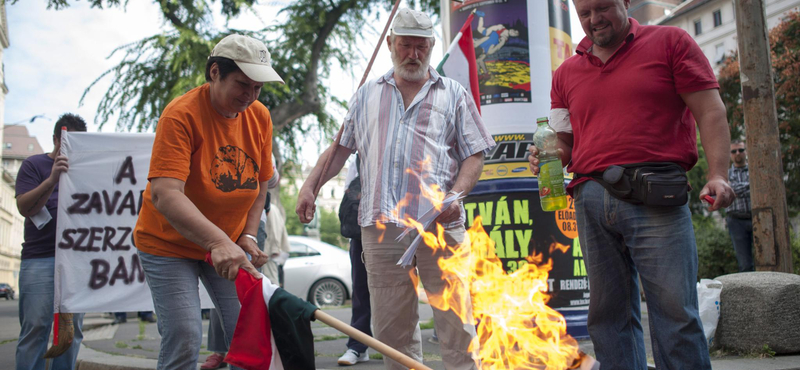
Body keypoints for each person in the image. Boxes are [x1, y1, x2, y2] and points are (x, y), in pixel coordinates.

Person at [527, 1, 735, 369]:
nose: (594, 20)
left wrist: (718, 174)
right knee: (607, 317)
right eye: (584, 14)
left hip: (656, 194)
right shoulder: (566, 73)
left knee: (675, 314)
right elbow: (564, 143)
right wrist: (547, 155)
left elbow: (710, 110)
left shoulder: (671, 42)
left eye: (603, 8)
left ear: (625, 2)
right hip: (590, 199)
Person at [297, 8, 494, 370]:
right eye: (405, 45)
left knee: (457, 323)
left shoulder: (453, 93)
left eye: (421, 47)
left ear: (432, 46)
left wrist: (458, 193)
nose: (413, 55)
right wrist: (310, 187)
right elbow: (340, 149)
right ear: (390, 44)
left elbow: (475, 155)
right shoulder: (365, 95)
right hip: (381, 225)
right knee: (390, 330)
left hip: (440, 223)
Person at [133, 34, 282, 369]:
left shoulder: (260, 117)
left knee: (250, 329)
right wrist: (217, 240)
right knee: (185, 335)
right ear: (215, 72)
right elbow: (165, 193)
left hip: (227, 243)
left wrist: (246, 235)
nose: (251, 96)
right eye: (242, 85)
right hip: (167, 244)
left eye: (258, 88)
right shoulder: (181, 115)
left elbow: (260, 185)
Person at [15, 113, 87, 370]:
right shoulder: (33, 165)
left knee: (71, 332)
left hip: (76, 261)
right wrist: (52, 179)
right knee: (36, 328)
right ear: (55, 139)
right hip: (40, 258)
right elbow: (24, 206)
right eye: (66, 144)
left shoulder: (87, 169)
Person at [336, 161, 372, 366]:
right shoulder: (358, 159)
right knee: (360, 290)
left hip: (393, 228)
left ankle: (399, 346)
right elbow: (349, 196)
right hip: (360, 233)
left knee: (398, 292)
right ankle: (357, 346)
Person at [727, 140, 754, 272]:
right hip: (736, 221)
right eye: (734, 151)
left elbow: (760, 188)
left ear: (746, 152)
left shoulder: (755, 170)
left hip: (756, 217)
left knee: (767, 259)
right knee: (745, 264)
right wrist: (751, 185)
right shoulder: (725, 174)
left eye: (741, 150)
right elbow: (730, 191)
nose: (738, 153)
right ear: (730, 154)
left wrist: (736, 190)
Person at [472, 10, 520, 77]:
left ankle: (483, 73)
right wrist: (489, 31)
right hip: (489, 37)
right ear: (512, 29)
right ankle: (482, 73)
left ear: (514, 36)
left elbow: (498, 47)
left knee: (479, 60)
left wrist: (490, 51)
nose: (513, 32)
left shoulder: (504, 38)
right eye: (514, 31)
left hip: (488, 44)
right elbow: (494, 28)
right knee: (479, 31)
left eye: (515, 34)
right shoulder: (502, 28)